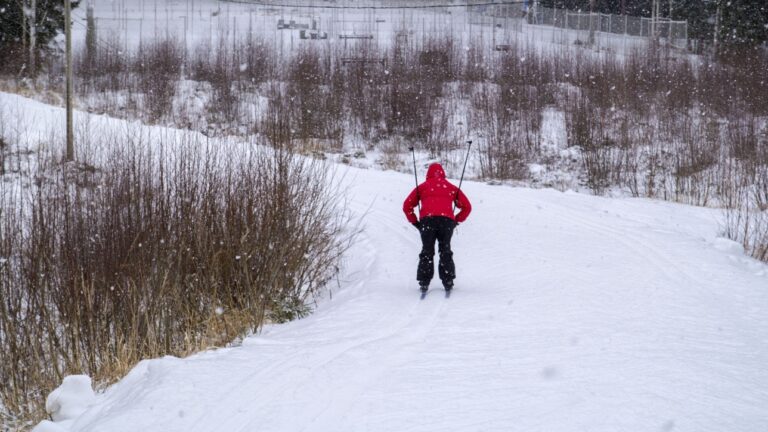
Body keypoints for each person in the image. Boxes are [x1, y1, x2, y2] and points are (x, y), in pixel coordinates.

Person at [402, 163, 472, 293]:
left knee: (427, 251)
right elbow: (467, 207)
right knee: (445, 250)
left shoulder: (422, 187)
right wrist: (456, 221)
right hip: (446, 222)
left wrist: (415, 222)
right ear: (443, 173)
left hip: (427, 221)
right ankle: (448, 280)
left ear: (428, 173)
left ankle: (424, 281)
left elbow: (407, 206)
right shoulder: (450, 187)